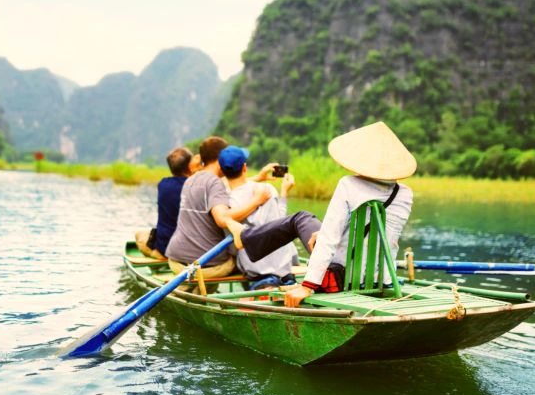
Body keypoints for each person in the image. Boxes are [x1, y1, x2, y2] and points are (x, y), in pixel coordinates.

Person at [226, 121, 415, 308]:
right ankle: (244, 237)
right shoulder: (405, 193)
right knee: (311, 225)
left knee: (300, 218)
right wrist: (324, 232)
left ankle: (243, 237)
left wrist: (308, 286)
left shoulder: (349, 184)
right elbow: (379, 236)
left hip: (342, 277)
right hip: (381, 279)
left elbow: (329, 239)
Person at [164, 136, 274, 280]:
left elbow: (222, 186)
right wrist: (257, 201)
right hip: (205, 266)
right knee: (247, 260)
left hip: (175, 260)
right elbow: (222, 218)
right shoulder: (215, 183)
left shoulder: (191, 179)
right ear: (220, 158)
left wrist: (257, 178)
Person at [219, 145, 298, 290]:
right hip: (281, 270)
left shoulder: (222, 201)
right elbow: (281, 223)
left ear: (222, 171)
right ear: (244, 167)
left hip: (253, 271)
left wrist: (259, 178)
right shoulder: (267, 190)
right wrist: (284, 192)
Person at [135, 146, 200, 259]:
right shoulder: (195, 186)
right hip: (191, 248)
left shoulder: (163, 185)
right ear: (190, 167)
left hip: (164, 246)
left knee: (139, 235)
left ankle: (157, 255)